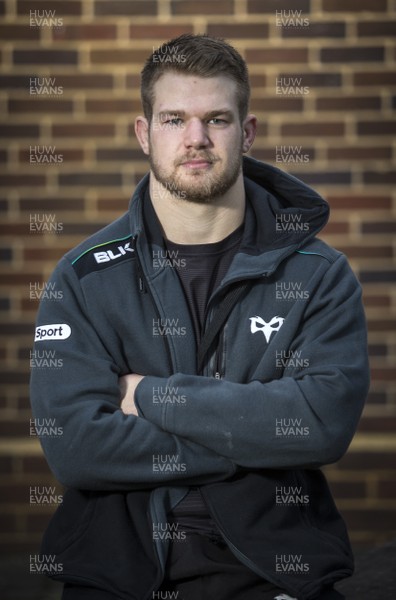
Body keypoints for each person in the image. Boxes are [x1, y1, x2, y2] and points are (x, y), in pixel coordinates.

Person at [30, 34, 370, 600]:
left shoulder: (319, 274)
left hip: (276, 571)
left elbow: (322, 425)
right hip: (118, 573)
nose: (196, 139)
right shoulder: (83, 277)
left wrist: (151, 398)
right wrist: (249, 435)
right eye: (173, 119)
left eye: (216, 118)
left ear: (248, 132)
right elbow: (74, 448)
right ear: (144, 134)